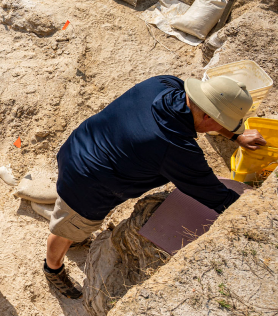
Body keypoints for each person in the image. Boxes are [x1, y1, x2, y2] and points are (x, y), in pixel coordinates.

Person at [43, 75, 266, 299]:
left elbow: (203, 114)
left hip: (81, 143)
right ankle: (53, 269)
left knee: (74, 224)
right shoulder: (174, 147)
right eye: (224, 123)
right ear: (209, 115)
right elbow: (216, 196)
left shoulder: (165, 84)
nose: (223, 128)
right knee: (67, 228)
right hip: (86, 183)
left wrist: (236, 136)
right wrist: (257, 214)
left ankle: (74, 238)